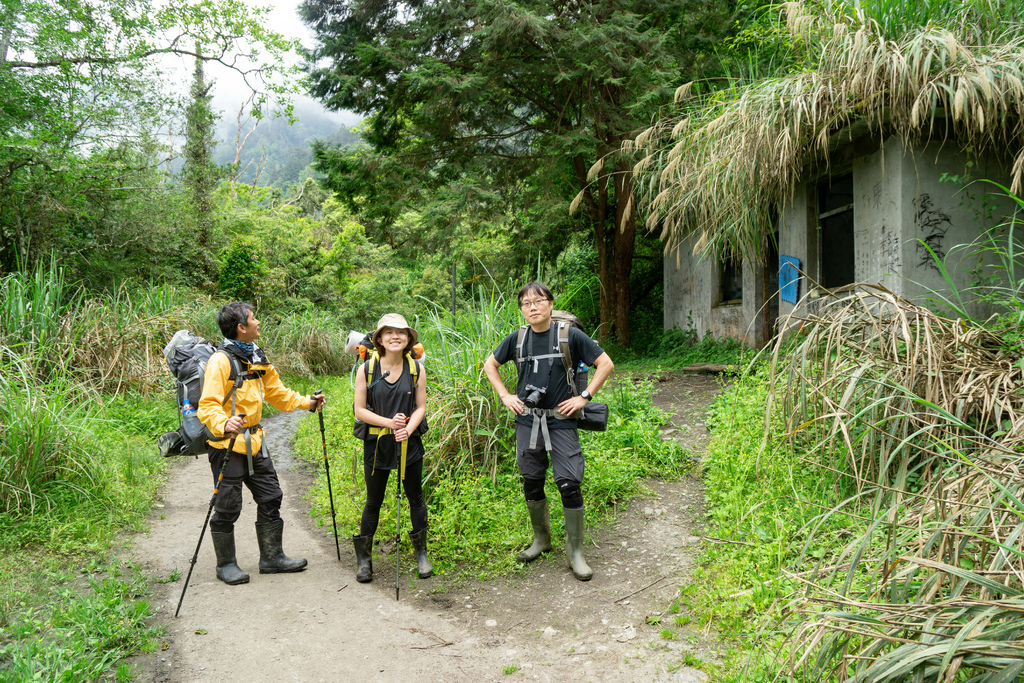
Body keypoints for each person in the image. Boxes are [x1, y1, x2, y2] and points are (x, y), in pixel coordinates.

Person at [483, 283, 614, 581]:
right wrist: (505, 395)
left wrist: (585, 397)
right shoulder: (517, 339)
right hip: (527, 420)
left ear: (550, 304)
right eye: (526, 303)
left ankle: (575, 552)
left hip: (561, 420)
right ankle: (541, 540)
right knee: (532, 481)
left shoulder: (569, 336)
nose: (532, 307)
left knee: (569, 483)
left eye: (539, 301)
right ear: (521, 309)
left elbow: (605, 363)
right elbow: (491, 365)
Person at [197, 301, 327, 586]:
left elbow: (277, 393)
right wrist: (223, 423)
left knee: (271, 496)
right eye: (253, 319)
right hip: (227, 446)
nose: (258, 323)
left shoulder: (257, 355)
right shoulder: (220, 361)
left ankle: (271, 558)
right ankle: (226, 564)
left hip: (256, 442)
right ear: (241, 327)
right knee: (227, 506)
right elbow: (207, 406)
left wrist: (308, 403)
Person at [351, 313, 432, 583]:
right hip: (377, 446)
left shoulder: (416, 369)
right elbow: (359, 410)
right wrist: (390, 423)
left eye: (401, 332)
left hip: (410, 444)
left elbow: (420, 406)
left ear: (408, 339)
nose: (395, 336)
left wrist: (408, 429)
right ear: (380, 339)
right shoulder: (367, 370)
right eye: (389, 332)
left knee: (415, 497)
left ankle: (422, 554)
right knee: (373, 500)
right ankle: (364, 560)